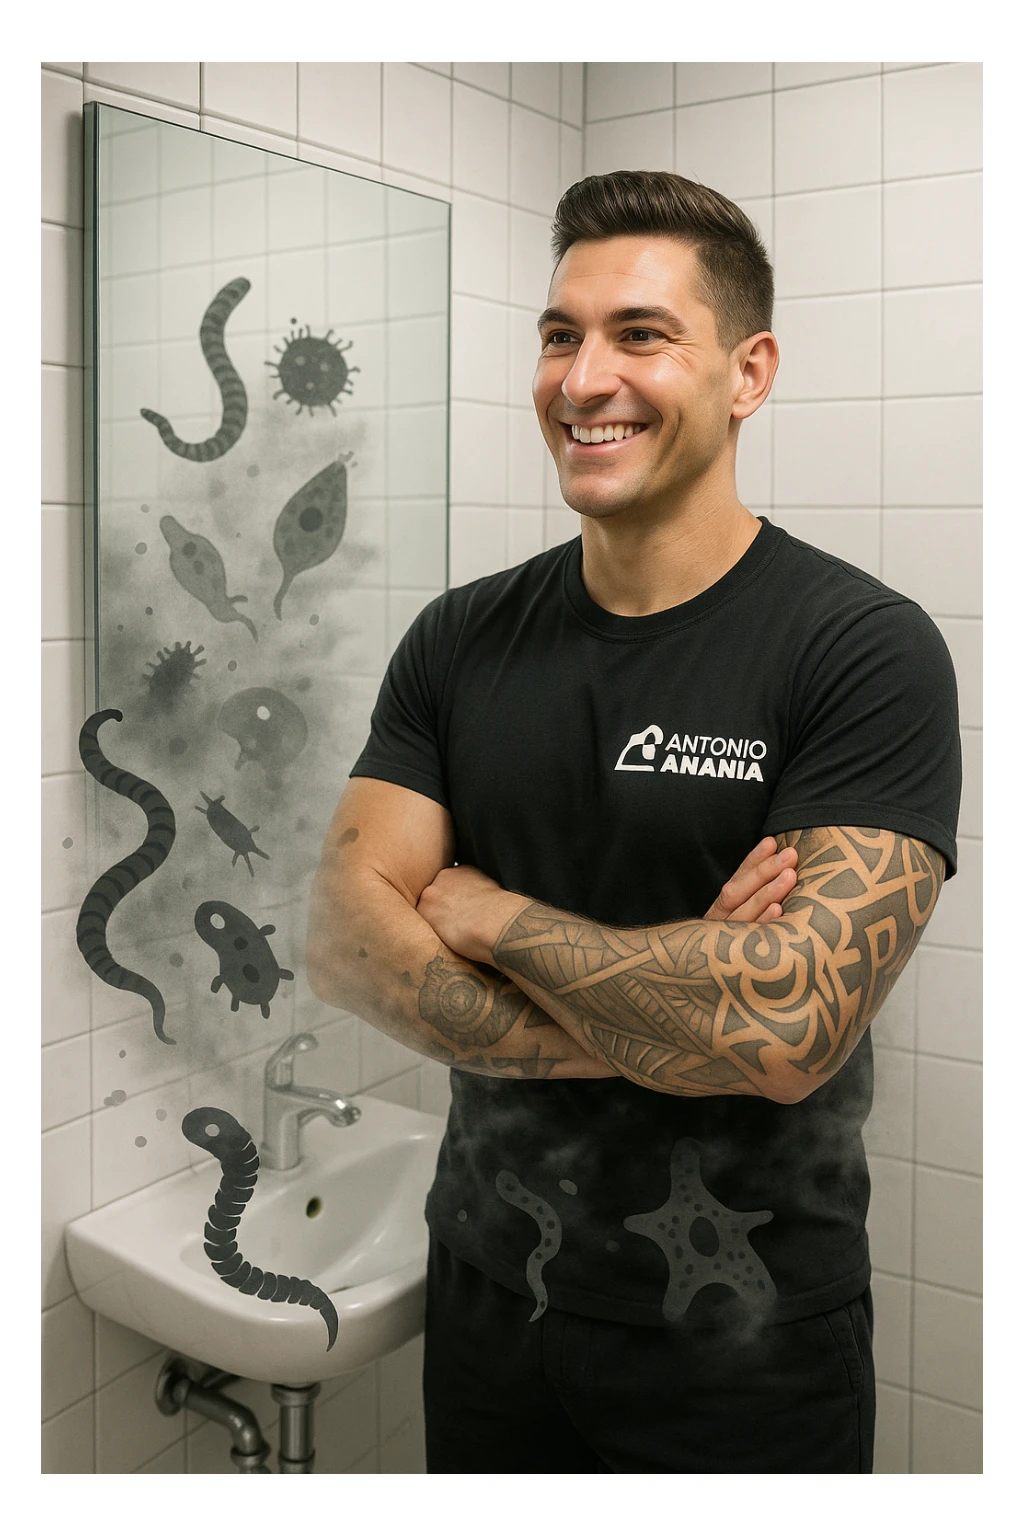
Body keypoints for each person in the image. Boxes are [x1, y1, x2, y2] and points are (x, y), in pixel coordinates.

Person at [306, 170, 961, 1474]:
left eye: (640, 335)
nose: (581, 377)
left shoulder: (862, 650)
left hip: (746, 1340)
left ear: (748, 370)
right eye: (560, 334)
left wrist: (490, 917)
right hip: (490, 1298)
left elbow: (783, 1030)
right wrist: (675, 1011)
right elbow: (339, 937)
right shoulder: (460, 637)